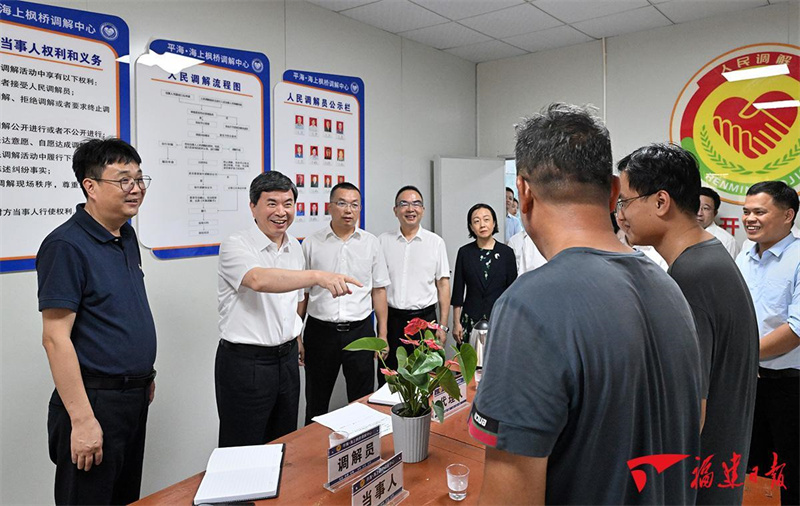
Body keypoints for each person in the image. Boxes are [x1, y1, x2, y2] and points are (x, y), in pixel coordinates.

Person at [469, 104, 701, 505]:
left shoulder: (529, 305)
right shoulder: (669, 288)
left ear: (524, 192)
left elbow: (510, 496)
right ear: (613, 192)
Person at [617, 143, 759, 506]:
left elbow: (689, 412)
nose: (621, 215)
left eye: (625, 201)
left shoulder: (693, 276)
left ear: (660, 202)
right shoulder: (709, 258)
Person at [37, 138, 157, 505]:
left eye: (139, 178)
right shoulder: (66, 245)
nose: (136, 188)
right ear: (90, 186)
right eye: (124, 179)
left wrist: (143, 375)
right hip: (94, 402)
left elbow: (118, 313)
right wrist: (83, 420)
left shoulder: (126, 235)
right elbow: (55, 338)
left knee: (124, 498)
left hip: (132, 398)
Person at [216, 171, 361, 447]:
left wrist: (297, 336)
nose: (281, 212)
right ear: (253, 207)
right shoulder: (236, 244)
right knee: (243, 446)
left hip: (287, 360)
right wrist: (318, 276)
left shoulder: (294, 246)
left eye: (288, 203)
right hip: (247, 362)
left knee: (283, 442)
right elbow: (258, 280)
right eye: (271, 203)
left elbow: (294, 298)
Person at [302, 182, 390, 424]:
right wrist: (296, 334)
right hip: (320, 332)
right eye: (342, 203)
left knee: (363, 401)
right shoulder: (312, 243)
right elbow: (303, 293)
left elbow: (379, 290)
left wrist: (382, 335)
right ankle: (313, 446)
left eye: (354, 205)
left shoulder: (371, 243)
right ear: (330, 207)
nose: (348, 210)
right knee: (316, 401)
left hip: (360, 331)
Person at [735, 181, 800, 506]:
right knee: (749, 469)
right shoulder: (745, 255)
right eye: (746, 211)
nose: (750, 219)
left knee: (792, 473)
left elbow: (796, 329)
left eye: (759, 212)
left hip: (790, 386)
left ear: (788, 215)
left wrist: (741, 356)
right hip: (749, 383)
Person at [378, 185, 450, 384]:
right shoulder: (382, 241)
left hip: (425, 321)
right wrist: (382, 332)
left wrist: (442, 326)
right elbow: (378, 288)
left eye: (416, 204)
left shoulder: (435, 242)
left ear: (423, 210)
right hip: (392, 321)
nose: (410, 209)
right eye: (404, 204)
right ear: (395, 210)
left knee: (425, 382)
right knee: (390, 381)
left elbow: (443, 285)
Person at [451, 203, 516, 344]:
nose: (482, 225)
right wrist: (456, 322)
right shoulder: (464, 253)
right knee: (469, 357)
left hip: (499, 318)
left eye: (486, 219)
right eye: (476, 221)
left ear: (494, 223)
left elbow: (512, 292)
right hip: (470, 318)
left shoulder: (506, 253)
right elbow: (458, 291)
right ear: (471, 226)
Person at [697, 186, 738, 258]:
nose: (699, 213)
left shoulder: (727, 241)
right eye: (696, 206)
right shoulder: (681, 235)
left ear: (715, 213)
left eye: (706, 208)